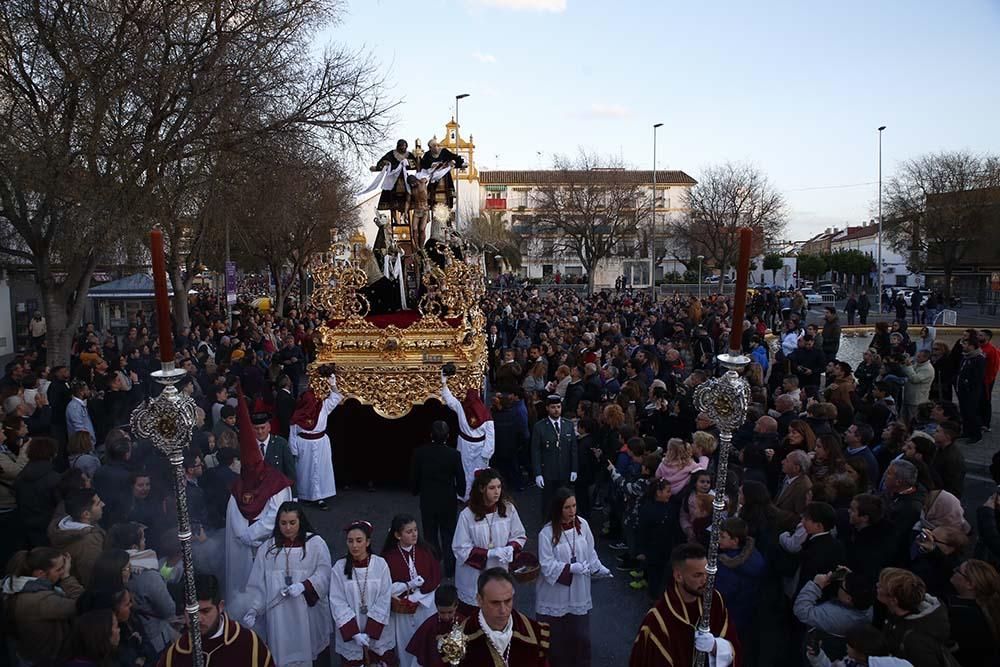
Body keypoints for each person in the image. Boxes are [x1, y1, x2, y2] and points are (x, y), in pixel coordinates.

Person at [225, 391, 294, 620]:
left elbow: (276, 514)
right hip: (246, 547)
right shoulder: (239, 486)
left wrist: (252, 534)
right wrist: (243, 535)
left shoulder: (277, 483)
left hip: (267, 542)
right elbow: (234, 512)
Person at [242, 501, 332, 667]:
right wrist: (254, 608)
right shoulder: (268, 548)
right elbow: (258, 582)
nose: (288, 528)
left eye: (292, 523)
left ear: (300, 521)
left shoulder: (315, 544)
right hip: (279, 617)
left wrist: (305, 585)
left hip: (306, 612)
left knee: (311, 650)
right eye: (283, 523)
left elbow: (325, 573)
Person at [629, 543, 742, 666]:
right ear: (678, 576)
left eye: (707, 573)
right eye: (697, 575)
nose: (705, 580)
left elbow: (734, 645)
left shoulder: (714, 599)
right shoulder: (657, 620)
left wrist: (716, 647)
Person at [535, 488, 611, 667]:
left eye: (574, 506)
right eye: (567, 507)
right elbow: (546, 565)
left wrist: (599, 568)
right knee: (558, 640)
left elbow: (590, 551)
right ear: (557, 509)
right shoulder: (546, 533)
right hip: (555, 594)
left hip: (578, 591)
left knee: (580, 637)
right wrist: (570, 568)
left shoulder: (582, 525)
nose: (572, 511)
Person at [452, 468, 527, 614]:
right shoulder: (467, 515)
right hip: (474, 577)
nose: (497, 492)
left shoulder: (507, 509)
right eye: (492, 488)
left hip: (500, 571)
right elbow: (460, 548)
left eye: (499, 487)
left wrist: (511, 548)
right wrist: (488, 554)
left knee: (499, 611)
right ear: (481, 488)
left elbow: (519, 535)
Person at [157, 573, 274, 667]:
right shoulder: (176, 654)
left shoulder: (248, 644)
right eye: (192, 613)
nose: (198, 619)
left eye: (205, 611)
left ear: (220, 607)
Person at [329, 520, 396, 666]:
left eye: (359, 540)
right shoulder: (339, 568)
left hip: (379, 634)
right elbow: (337, 601)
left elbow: (384, 599)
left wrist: (371, 630)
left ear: (367, 542)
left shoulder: (380, 565)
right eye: (350, 541)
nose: (354, 545)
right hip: (353, 636)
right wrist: (354, 632)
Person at [1, 547, 83, 665]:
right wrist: (67, 577)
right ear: (40, 574)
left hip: (27, 652)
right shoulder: (41, 600)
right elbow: (82, 604)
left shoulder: (12, 586)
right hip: (47, 660)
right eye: (59, 569)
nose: (63, 571)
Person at [455, 567, 550, 666]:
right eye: (495, 603)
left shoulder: (536, 633)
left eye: (508, 601)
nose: (503, 610)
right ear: (479, 600)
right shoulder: (460, 641)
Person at [382, 513, 442, 667]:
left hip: (426, 607)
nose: (414, 534)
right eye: (409, 531)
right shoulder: (389, 558)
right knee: (405, 645)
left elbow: (435, 577)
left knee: (428, 644)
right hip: (403, 611)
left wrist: (419, 597)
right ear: (397, 535)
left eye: (415, 530)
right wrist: (406, 592)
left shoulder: (425, 551)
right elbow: (385, 586)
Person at [410, 420, 465, 577]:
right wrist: (461, 493)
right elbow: (460, 478)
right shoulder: (454, 455)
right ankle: (450, 569)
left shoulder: (420, 452)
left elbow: (414, 476)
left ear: (431, 435)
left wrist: (414, 490)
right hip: (448, 500)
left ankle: (433, 566)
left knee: (430, 535)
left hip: (428, 500)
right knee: (449, 535)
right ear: (448, 436)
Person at [876, 568, 953, 667]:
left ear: (894, 600)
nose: (877, 585)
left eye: (881, 586)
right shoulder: (895, 613)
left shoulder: (917, 642)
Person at [288, 370, 341, 511]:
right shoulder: (301, 414)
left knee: (320, 471)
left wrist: (332, 384)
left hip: (320, 442)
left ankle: (320, 496)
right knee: (305, 471)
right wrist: (294, 451)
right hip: (305, 445)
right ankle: (306, 495)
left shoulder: (322, 407)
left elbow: (336, 398)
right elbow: (292, 434)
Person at [441, 373, 494, 502]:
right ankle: (471, 496)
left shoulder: (462, 408)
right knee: (474, 471)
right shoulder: (486, 415)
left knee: (466, 471)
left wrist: (444, 383)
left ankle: (467, 495)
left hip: (465, 444)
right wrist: (487, 453)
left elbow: (450, 400)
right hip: (479, 446)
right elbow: (490, 437)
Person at [530, 395, 579, 515]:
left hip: (565, 471)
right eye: (553, 407)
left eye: (558, 407)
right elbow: (535, 451)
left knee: (564, 501)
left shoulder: (568, 425)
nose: (556, 410)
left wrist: (574, 469)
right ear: (547, 408)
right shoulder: (540, 427)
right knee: (548, 502)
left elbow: (573, 449)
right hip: (548, 472)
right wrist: (537, 473)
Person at [947, 559, 1000, 667]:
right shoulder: (984, 610)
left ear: (970, 584)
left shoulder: (963, 616)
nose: (954, 570)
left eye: (958, 570)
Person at [48, 488, 106, 586]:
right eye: (98, 503)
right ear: (86, 514)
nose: (103, 504)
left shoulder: (64, 527)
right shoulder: (89, 541)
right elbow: (92, 576)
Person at [405, 584, 463, 667]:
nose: (446, 617)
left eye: (450, 612)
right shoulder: (429, 626)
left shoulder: (463, 622)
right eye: (442, 612)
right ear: (436, 606)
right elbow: (420, 659)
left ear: (456, 606)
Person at [250, 410, 297, 485]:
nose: (260, 431)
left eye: (262, 428)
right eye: (256, 428)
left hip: (277, 491)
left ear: (269, 427)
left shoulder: (281, 444)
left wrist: (294, 495)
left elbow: (290, 472)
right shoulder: (249, 446)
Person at [955, 335, 985, 443]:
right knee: (964, 412)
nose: (962, 346)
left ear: (972, 346)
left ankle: (976, 435)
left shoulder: (979, 358)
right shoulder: (965, 357)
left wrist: (968, 384)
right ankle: (966, 431)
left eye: (965, 344)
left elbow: (978, 377)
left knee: (971, 413)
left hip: (971, 392)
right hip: (962, 390)